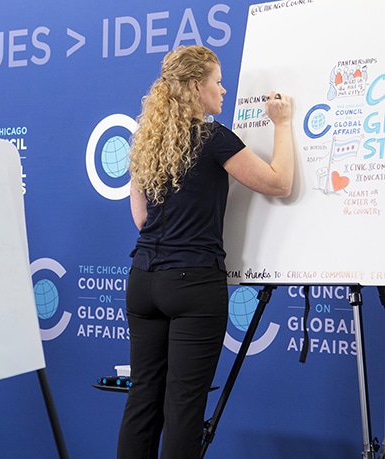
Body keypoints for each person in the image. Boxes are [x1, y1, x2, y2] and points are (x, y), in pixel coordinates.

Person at [117, 46, 294, 459]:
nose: (223, 89)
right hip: (194, 284)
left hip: (143, 280)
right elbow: (279, 183)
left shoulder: (148, 141)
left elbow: (142, 219)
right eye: (217, 82)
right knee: (184, 406)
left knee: (143, 399)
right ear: (197, 87)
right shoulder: (213, 139)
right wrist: (281, 124)